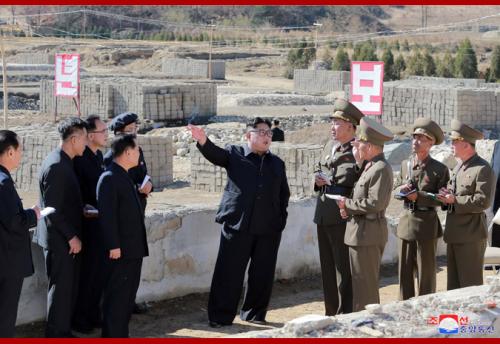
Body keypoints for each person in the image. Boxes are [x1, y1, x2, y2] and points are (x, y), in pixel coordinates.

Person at [188, 117, 290, 327]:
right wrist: (203, 141)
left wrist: (280, 220)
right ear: (248, 136)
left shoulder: (277, 164)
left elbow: (283, 196)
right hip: (237, 225)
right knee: (229, 273)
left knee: (262, 274)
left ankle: (254, 314)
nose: (266, 136)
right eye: (261, 132)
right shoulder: (235, 154)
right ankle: (220, 316)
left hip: (268, 229)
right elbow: (217, 155)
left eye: (269, 133)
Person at [35, 117, 88, 337]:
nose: (86, 143)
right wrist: (71, 237)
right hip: (59, 240)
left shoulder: (64, 161)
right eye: (85, 138)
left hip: (63, 238)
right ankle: (56, 334)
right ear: (74, 139)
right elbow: (51, 210)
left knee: (67, 290)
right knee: (60, 290)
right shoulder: (57, 165)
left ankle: (63, 331)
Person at [337, 117, 393, 312]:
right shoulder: (369, 166)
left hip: (368, 233)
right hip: (360, 232)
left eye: (359, 143)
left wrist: (347, 204)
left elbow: (375, 203)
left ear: (369, 146)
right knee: (359, 284)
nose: (357, 147)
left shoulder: (381, 168)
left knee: (366, 287)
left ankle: (368, 322)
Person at [313, 99, 364, 315]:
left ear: (351, 126)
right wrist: (317, 181)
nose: (332, 127)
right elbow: (318, 168)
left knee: (344, 268)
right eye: (332, 122)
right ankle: (331, 311)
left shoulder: (358, 150)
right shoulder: (329, 146)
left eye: (337, 123)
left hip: (343, 216)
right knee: (327, 268)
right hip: (323, 214)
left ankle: (346, 312)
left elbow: (361, 184)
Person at [97, 134, 149, 338]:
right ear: (127, 152)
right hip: (120, 252)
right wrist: (114, 246)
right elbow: (107, 216)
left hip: (132, 249)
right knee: (117, 299)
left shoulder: (124, 175)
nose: (139, 154)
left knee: (126, 299)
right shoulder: (109, 177)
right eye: (137, 150)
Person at [394, 118, 449, 300]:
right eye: (414, 137)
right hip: (406, 223)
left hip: (426, 225)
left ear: (431, 142)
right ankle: (404, 307)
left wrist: (420, 197)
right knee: (404, 274)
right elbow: (396, 188)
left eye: (421, 138)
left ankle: (426, 306)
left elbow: (443, 201)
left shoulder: (439, 170)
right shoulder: (405, 165)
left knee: (426, 275)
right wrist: (400, 191)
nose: (415, 142)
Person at [437, 119, 495, 290]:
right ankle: (457, 318)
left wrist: (454, 200)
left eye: (454, 141)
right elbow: (453, 196)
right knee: (454, 286)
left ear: (466, 145)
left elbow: (482, 201)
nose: (451, 145)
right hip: (455, 233)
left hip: (471, 235)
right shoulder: (459, 167)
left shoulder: (482, 168)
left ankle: (473, 318)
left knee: (470, 286)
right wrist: (444, 198)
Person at [104, 112, 152, 315]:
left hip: (137, 214)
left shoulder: (136, 152)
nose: (134, 134)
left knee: (134, 268)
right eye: (130, 131)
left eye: (135, 130)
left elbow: (145, 175)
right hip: (123, 224)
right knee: (121, 272)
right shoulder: (110, 160)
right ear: (118, 134)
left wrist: (149, 185)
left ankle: (129, 303)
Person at [0, 130, 41, 337]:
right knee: (5, 315)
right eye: (19, 149)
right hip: (7, 262)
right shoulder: (3, 183)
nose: (21, 154)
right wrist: (33, 214)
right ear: (9, 152)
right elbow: (14, 222)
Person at [72, 115, 108, 332]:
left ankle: (94, 314)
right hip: (87, 225)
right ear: (90, 135)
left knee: (99, 275)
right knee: (87, 276)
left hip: (100, 223)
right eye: (102, 131)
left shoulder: (99, 156)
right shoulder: (81, 159)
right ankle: (81, 319)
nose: (106, 135)